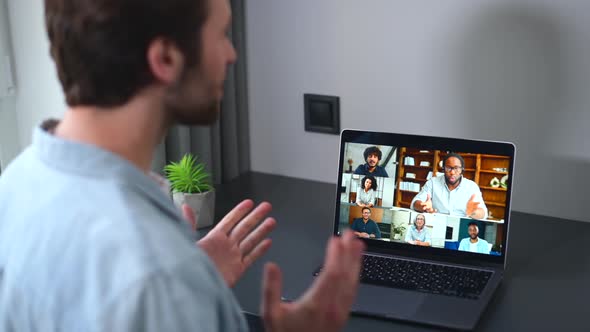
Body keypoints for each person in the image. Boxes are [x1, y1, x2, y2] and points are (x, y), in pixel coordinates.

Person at [0, 0, 365, 331]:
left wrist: (195, 289)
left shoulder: (16, 182)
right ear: (166, 59)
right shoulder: (159, 274)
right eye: (221, 34)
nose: (231, 54)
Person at [411, 153, 488, 219]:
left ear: (462, 170)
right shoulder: (432, 183)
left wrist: (473, 212)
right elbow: (415, 202)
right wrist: (423, 206)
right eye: (448, 168)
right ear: (443, 169)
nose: (452, 172)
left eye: (456, 168)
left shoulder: (471, 187)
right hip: (437, 224)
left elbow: (483, 213)